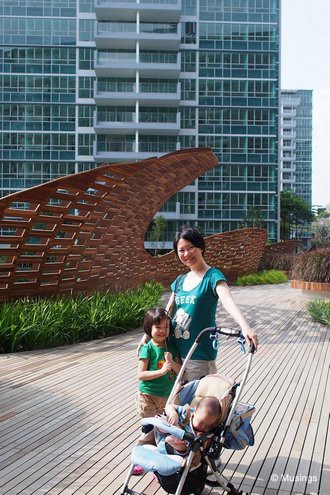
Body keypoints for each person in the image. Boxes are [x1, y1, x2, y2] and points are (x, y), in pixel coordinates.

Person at [138, 226, 258, 382]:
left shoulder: (213, 276)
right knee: (176, 403)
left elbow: (228, 301)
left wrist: (245, 326)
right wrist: (147, 336)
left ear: (200, 247)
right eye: (181, 250)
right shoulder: (180, 281)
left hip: (198, 354)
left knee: (197, 401)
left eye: (190, 248)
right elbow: (165, 313)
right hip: (172, 351)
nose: (186, 254)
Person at [134, 307, 182, 475]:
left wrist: (172, 363)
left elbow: (181, 371)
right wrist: (161, 372)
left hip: (166, 398)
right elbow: (141, 374)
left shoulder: (171, 348)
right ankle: (140, 459)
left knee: (162, 431)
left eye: (166, 327)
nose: (162, 331)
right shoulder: (147, 348)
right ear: (149, 328)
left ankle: (158, 462)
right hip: (148, 397)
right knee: (150, 429)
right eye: (158, 327)